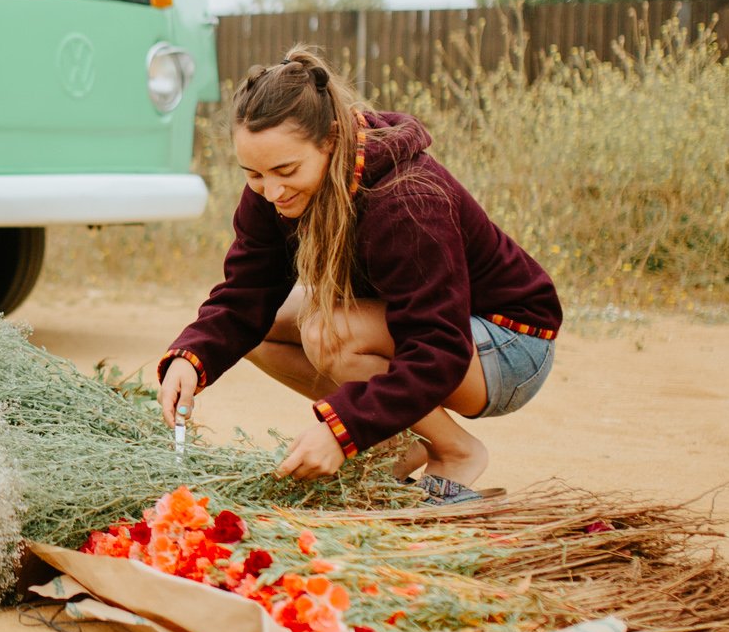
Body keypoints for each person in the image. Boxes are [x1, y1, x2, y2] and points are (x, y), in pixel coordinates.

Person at [154, 47, 558, 502]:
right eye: (253, 175)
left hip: (509, 345)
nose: (271, 191)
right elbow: (247, 292)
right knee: (262, 326)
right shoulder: (276, 190)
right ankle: (397, 443)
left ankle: (456, 451)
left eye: (286, 171)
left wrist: (342, 428)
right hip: (431, 331)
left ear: (330, 139)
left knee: (328, 332)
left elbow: (438, 348)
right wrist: (191, 357)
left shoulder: (407, 200)